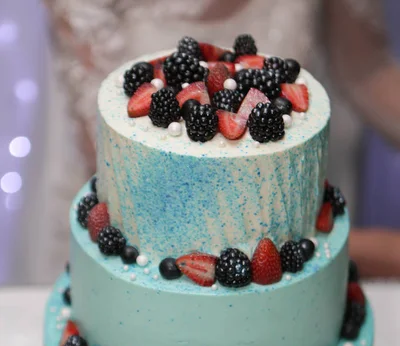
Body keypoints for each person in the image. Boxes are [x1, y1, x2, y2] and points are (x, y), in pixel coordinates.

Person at [40, 0, 400, 279]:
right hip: (141, 229)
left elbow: (366, 70)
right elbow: (127, 169)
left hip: (287, 200)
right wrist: (353, 250)